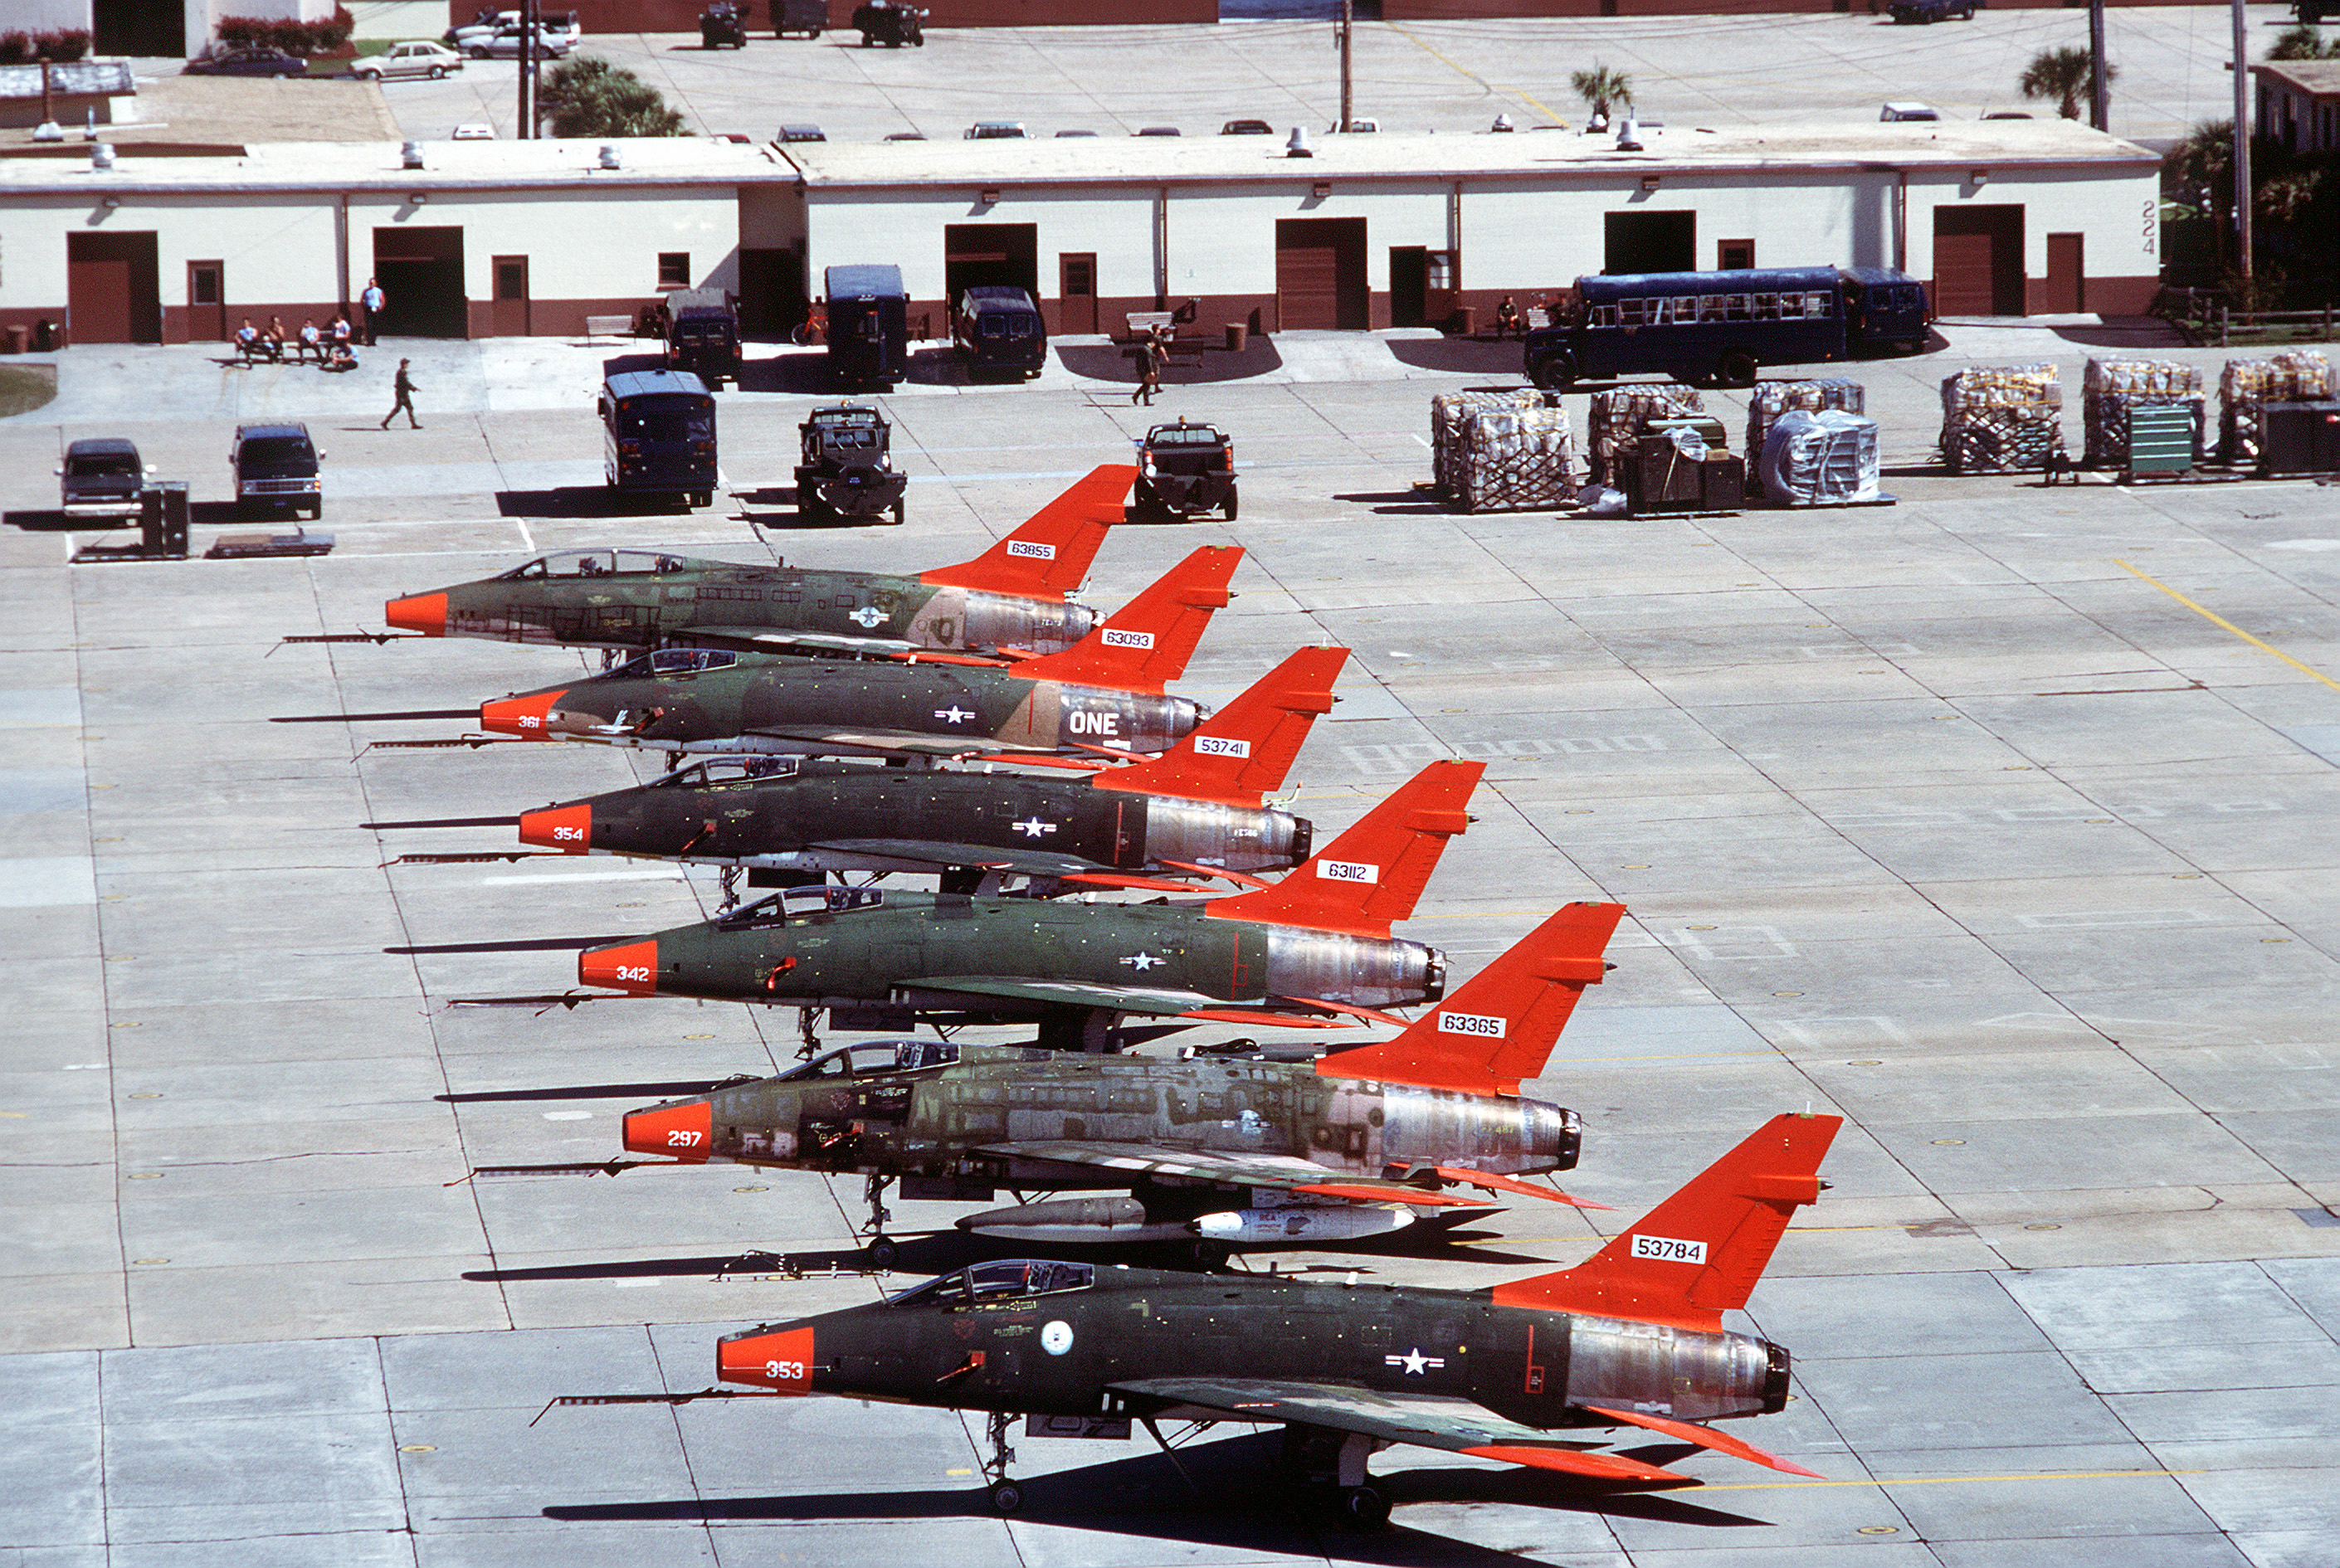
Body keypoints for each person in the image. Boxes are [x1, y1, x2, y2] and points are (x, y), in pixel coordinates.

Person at [382, 357, 421, 429]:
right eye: (407, 364)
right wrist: (415, 388)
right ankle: (385, 423)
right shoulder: (401, 372)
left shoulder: (401, 372)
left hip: (403, 394)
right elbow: (406, 383)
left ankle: (414, 424)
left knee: (409, 408)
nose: (407, 365)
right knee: (398, 409)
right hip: (402, 394)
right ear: (404, 364)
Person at [1131, 325, 1163, 407]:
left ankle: (1136, 397)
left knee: (1146, 384)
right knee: (1147, 384)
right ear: (1151, 344)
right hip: (1145, 370)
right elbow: (1149, 362)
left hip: (1141, 369)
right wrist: (1151, 371)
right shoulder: (1148, 351)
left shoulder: (1143, 349)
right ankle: (1144, 401)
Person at [359, 277, 385, 346]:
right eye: (370, 283)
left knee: (375, 325)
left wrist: (380, 307)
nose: (371, 284)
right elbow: (362, 300)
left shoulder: (379, 291)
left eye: (373, 283)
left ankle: (373, 340)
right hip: (368, 308)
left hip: (376, 309)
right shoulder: (366, 291)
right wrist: (364, 307)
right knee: (369, 325)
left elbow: (382, 300)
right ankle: (369, 341)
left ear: (375, 284)